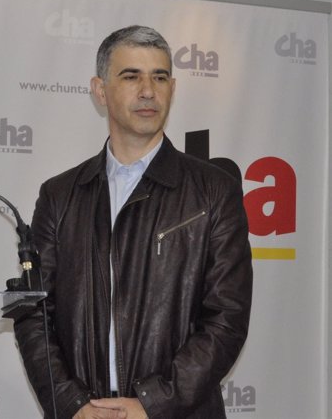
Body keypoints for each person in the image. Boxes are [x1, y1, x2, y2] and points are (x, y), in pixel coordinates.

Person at [13, 26, 252, 419]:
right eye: (131, 76)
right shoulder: (60, 195)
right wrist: (73, 405)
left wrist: (153, 404)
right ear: (100, 90)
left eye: (159, 77)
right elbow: (34, 312)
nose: (148, 90)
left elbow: (226, 319)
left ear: (172, 89)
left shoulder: (213, 192)